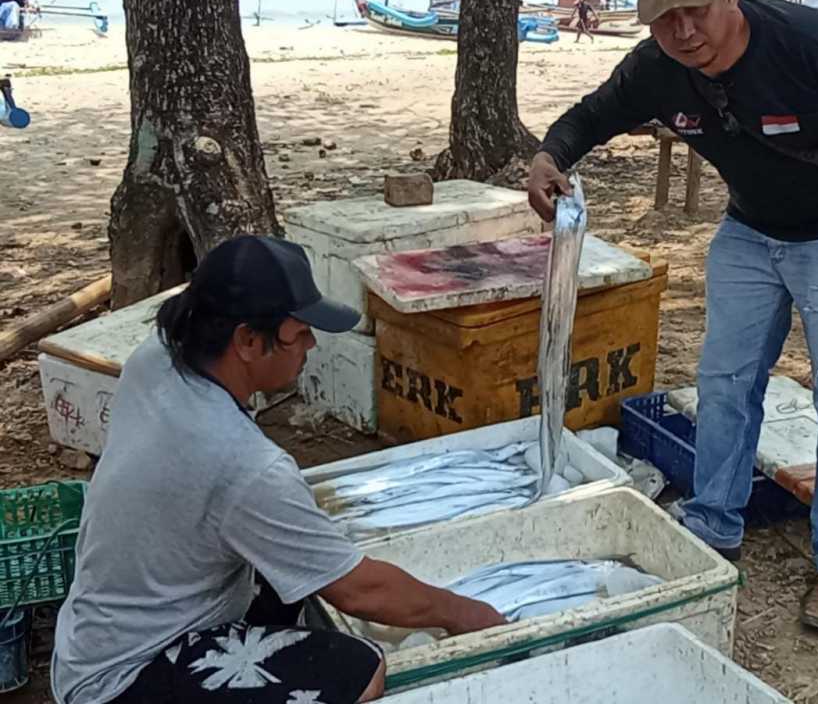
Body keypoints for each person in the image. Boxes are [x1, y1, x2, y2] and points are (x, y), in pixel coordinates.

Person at [527, 0, 818, 632]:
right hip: (748, 236)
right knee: (724, 382)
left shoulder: (809, 41)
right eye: (663, 19)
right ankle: (712, 522)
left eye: (695, 11)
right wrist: (549, 157)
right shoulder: (658, 67)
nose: (683, 32)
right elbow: (593, 113)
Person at [51, 236, 506, 704]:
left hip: (93, 637)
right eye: (299, 332)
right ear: (247, 340)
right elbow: (359, 591)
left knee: (293, 578)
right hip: (122, 679)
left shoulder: (159, 357)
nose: (310, 344)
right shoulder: (242, 463)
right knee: (357, 670)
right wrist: (465, 614)